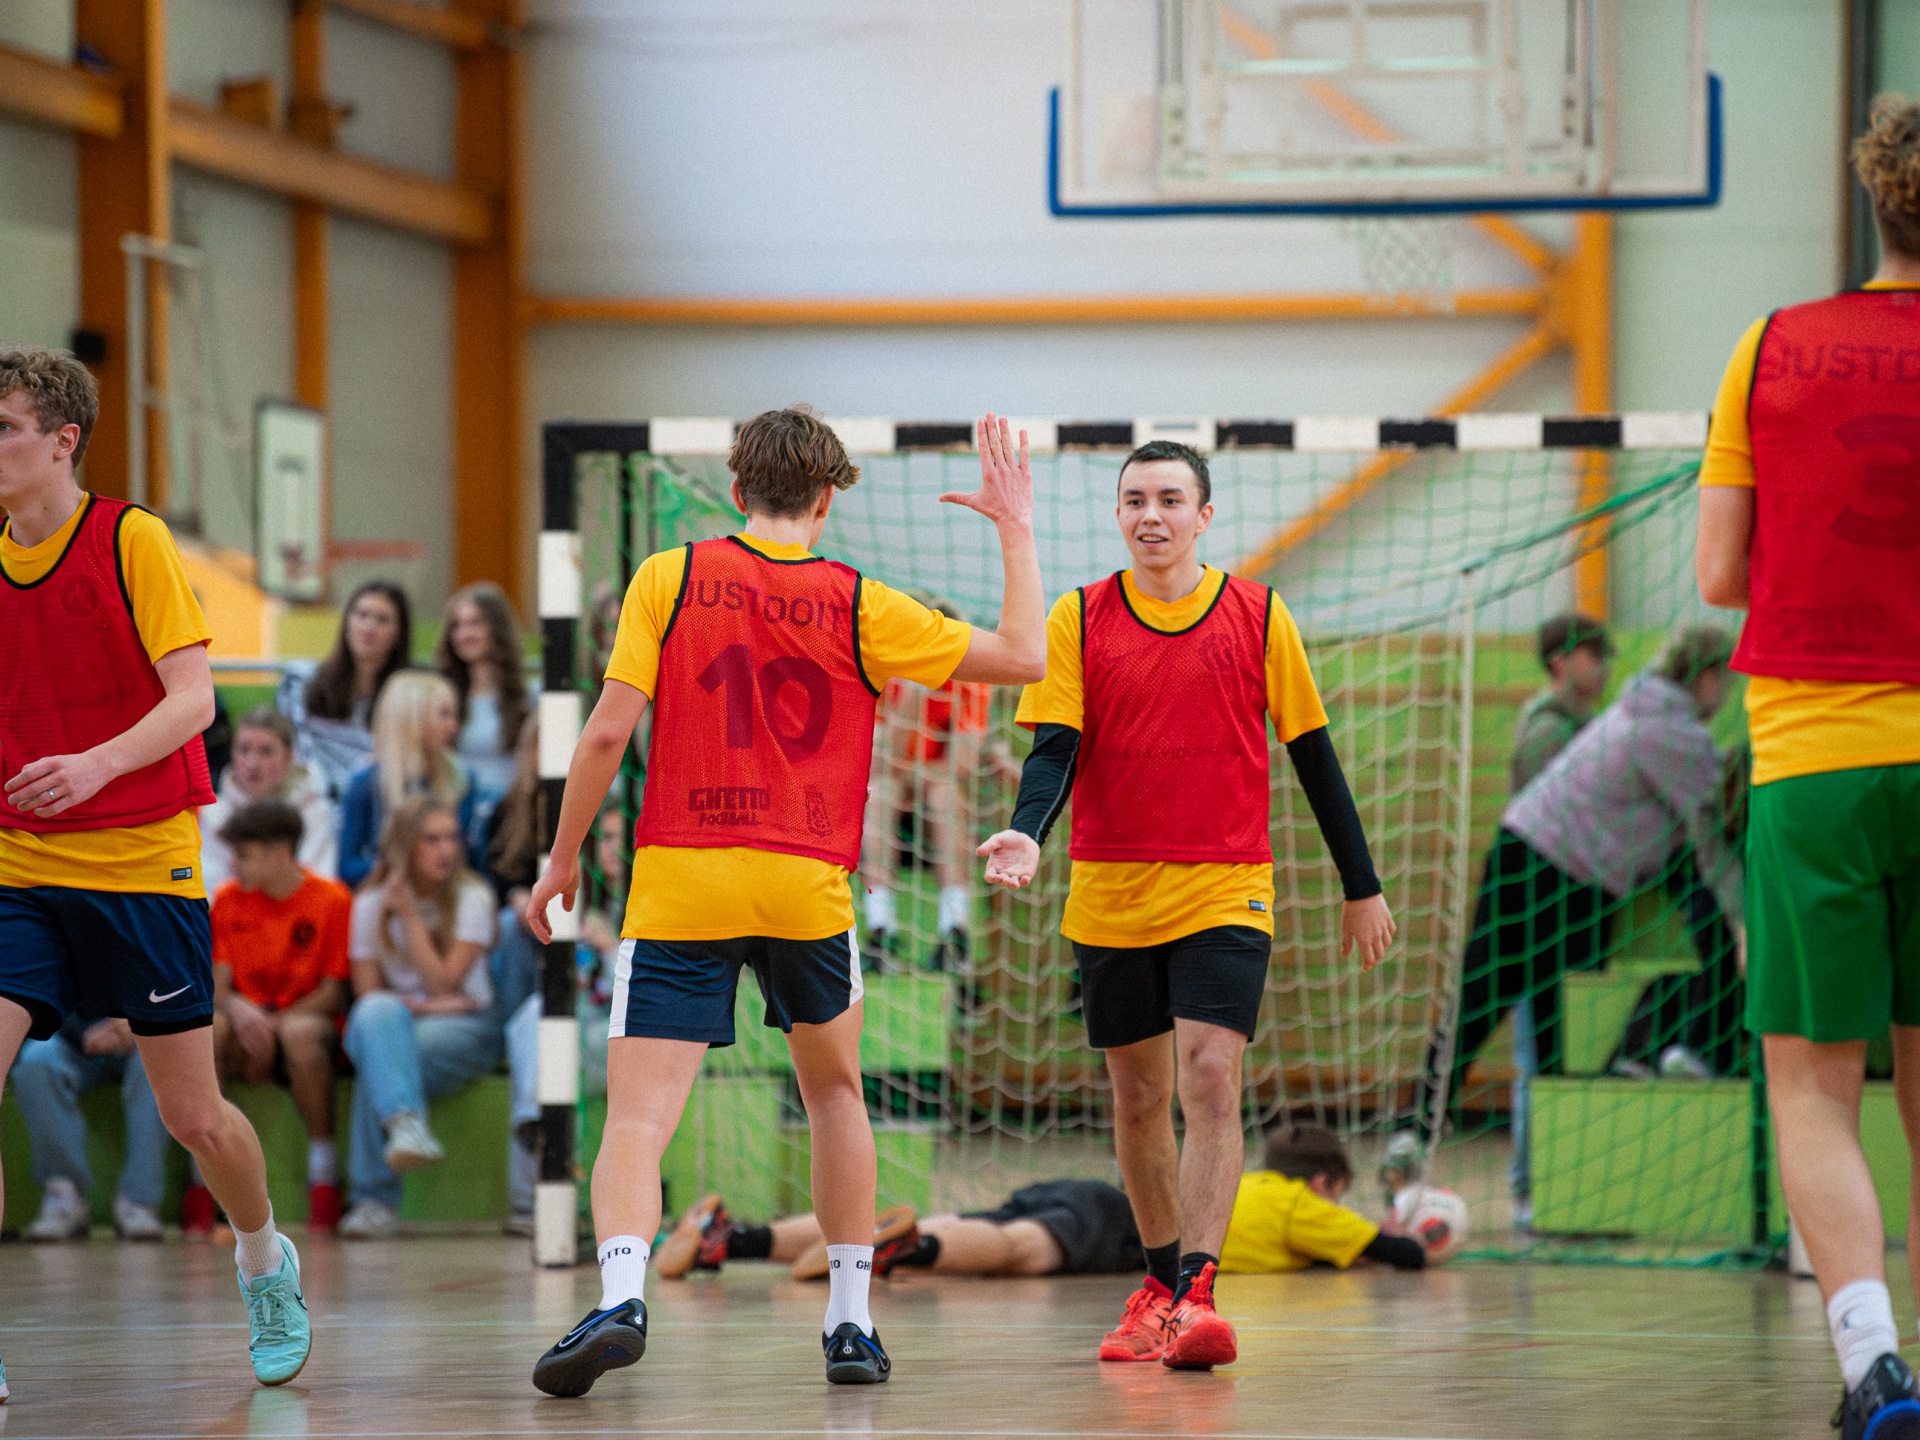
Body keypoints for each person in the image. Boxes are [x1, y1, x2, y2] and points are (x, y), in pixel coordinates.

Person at [522, 407, 1045, 1394]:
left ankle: (623, 1294)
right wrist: (1013, 525)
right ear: (828, 501)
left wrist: (561, 860)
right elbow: (1025, 655)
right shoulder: (860, 601)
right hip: (806, 886)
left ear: (735, 491)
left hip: (684, 879)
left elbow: (605, 736)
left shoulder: (668, 576)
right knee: (836, 1096)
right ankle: (849, 1321)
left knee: (638, 1117)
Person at [977, 438, 1396, 1371]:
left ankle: (1199, 1295)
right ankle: (1160, 1288)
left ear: (1204, 516)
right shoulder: (1077, 617)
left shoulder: (1260, 614)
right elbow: (1053, 751)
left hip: (1225, 885)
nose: (1151, 515)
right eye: (1135, 500)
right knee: (1138, 1098)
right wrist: (1028, 832)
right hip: (1111, 891)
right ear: (1119, 515)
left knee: (1211, 1077)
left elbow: (1314, 756)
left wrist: (1360, 884)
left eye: (1170, 499)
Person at [0, 344, 309, 1398]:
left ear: (62, 440)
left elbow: (195, 701)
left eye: (4, 427)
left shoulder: (129, 539)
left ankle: (262, 1258)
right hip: (19, 868)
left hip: (141, 862)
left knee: (196, 1118)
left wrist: (93, 765)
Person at [1694, 95, 1920, 1440]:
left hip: (1816, 756)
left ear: (1875, 200)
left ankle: (1874, 1365)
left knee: (1814, 1084)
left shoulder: (1771, 345)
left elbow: (1721, 572)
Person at [1422, 626, 1745, 1214]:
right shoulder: (1663, 731)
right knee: (1533, 1028)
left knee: (1507, 1017)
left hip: (1543, 861)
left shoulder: (1634, 710)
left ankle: (1504, 1174)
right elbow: (1709, 841)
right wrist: (1743, 924)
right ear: (1704, 677)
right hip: (1554, 872)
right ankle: (1514, 1180)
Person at [339, 796, 501, 1238]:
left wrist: (410, 918)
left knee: (381, 1055)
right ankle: (406, 1125)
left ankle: (373, 1202)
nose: (445, 849)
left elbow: (443, 984)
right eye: (431, 839)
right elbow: (368, 997)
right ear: (404, 846)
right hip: (402, 1021)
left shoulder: (473, 896)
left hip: (468, 1032)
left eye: (451, 838)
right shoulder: (369, 904)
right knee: (378, 1028)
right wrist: (422, 1006)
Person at [209, 801, 353, 1233]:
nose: (234, 865)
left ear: (280, 853)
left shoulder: (331, 900)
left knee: (300, 1033)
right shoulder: (228, 900)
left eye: (245, 854)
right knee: (209, 1029)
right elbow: (219, 987)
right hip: (246, 1029)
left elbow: (332, 992)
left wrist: (270, 1026)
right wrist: (240, 1010)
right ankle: (205, 1179)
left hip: (302, 1027)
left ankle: (324, 1172)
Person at [860, 612, 1014, 971]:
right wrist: (915, 691)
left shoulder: (970, 681)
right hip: (895, 798)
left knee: (943, 794)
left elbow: (960, 766)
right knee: (880, 793)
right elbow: (882, 760)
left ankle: (954, 933)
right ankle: (881, 932)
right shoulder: (885, 676)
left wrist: (915, 774)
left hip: (942, 802)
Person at [658, 1181, 1143, 1282]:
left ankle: (730, 1241)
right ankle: (908, 1248)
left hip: (1070, 1191)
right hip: (1121, 1215)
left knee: (957, 1223)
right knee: (1027, 1249)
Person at [8, 1014, 169, 1242]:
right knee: (36, 1060)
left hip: (145, 1034)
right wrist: (78, 1031)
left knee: (160, 1062)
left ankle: (139, 1201)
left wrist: (141, 1024)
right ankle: (65, 1196)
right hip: (68, 1037)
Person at [1220, 1125, 1428, 1275]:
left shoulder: (1245, 1183)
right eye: (1338, 1194)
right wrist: (1403, 1236)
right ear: (1321, 1183)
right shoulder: (1299, 1202)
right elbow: (1408, 1254)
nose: (1335, 1206)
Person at [336, 671, 477, 889]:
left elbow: (468, 857)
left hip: (448, 892)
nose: (453, 726)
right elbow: (346, 867)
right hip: (387, 892)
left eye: (454, 715)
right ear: (411, 720)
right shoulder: (366, 783)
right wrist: (391, 868)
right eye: (444, 715)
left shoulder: (462, 779)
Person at [278, 580, 413, 799]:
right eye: (361, 614)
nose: (368, 627)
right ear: (347, 620)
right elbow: (294, 753)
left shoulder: (408, 695)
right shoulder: (300, 680)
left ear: (399, 633)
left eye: (382, 619)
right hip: (312, 801)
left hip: (378, 802)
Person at [199, 708, 337, 891]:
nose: (252, 763)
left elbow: (318, 883)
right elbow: (211, 889)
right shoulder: (213, 814)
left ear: (289, 756)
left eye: (266, 751)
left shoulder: (314, 811)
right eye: (243, 750)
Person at [435, 581, 533, 823]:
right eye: (457, 625)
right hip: (456, 817)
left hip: (511, 817)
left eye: (475, 623)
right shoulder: (442, 697)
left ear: (497, 628)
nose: (464, 634)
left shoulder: (528, 697)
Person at [1510, 613, 1613, 793]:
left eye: (1607, 658)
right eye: (1595, 657)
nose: (1606, 667)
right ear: (1560, 663)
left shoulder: (1582, 718)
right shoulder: (1549, 729)